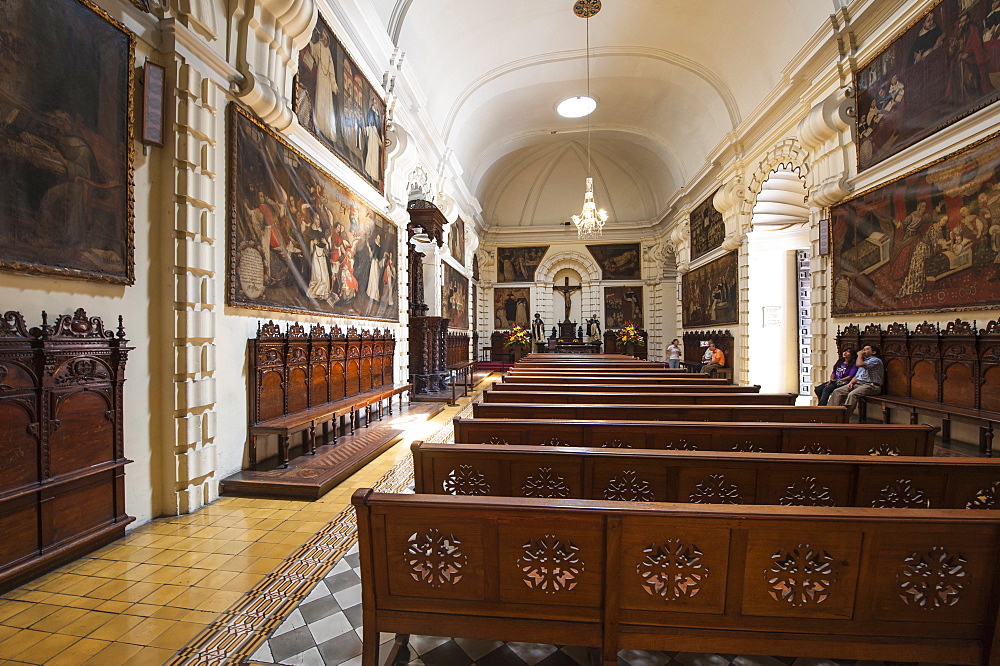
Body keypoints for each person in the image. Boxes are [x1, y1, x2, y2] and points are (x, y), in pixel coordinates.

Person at [829, 344, 884, 418]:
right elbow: (857, 375)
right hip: (859, 383)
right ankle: (831, 413)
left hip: (871, 385)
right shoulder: (864, 360)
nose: (863, 351)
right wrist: (851, 383)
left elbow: (859, 364)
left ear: (873, 352)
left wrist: (859, 355)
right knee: (837, 391)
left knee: (852, 394)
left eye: (867, 349)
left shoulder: (875, 360)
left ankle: (845, 416)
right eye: (863, 349)